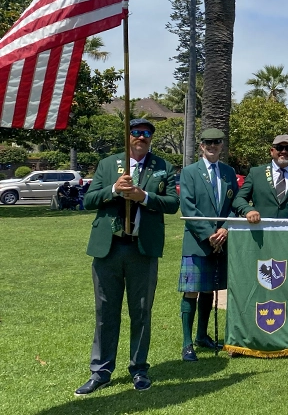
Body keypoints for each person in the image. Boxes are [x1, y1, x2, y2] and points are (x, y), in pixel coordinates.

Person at [75, 119, 179, 395]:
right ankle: (101, 371)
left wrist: (143, 196)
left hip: (142, 248)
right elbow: (89, 200)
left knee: (141, 312)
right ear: (127, 136)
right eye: (136, 133)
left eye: (146, 134)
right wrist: (114, 190)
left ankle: (139, 369)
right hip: (108, 247)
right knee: (105, 311)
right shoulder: (109, 164)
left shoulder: (163, 167)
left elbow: (172, 204)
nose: (141, 137)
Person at [177, 128, 239, 362]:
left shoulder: (228, 172)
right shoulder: (190, 172)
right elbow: (188, 206)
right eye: (208, 143)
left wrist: (225, 228)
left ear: (221, 146)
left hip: (222, 240)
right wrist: (208, 234)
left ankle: (202, 336)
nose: (212, 146)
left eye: (217, 142)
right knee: (191, 290)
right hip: (197, 241)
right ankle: (187, 343)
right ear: (201, 146)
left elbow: (236, 202)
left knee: (208, 289)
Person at [233, 134, 288, 221]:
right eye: (279, 147)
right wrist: (248, 210)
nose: (284, 151)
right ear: (272, 151)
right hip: (260, 230)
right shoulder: (256, 173)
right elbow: (239, 199)